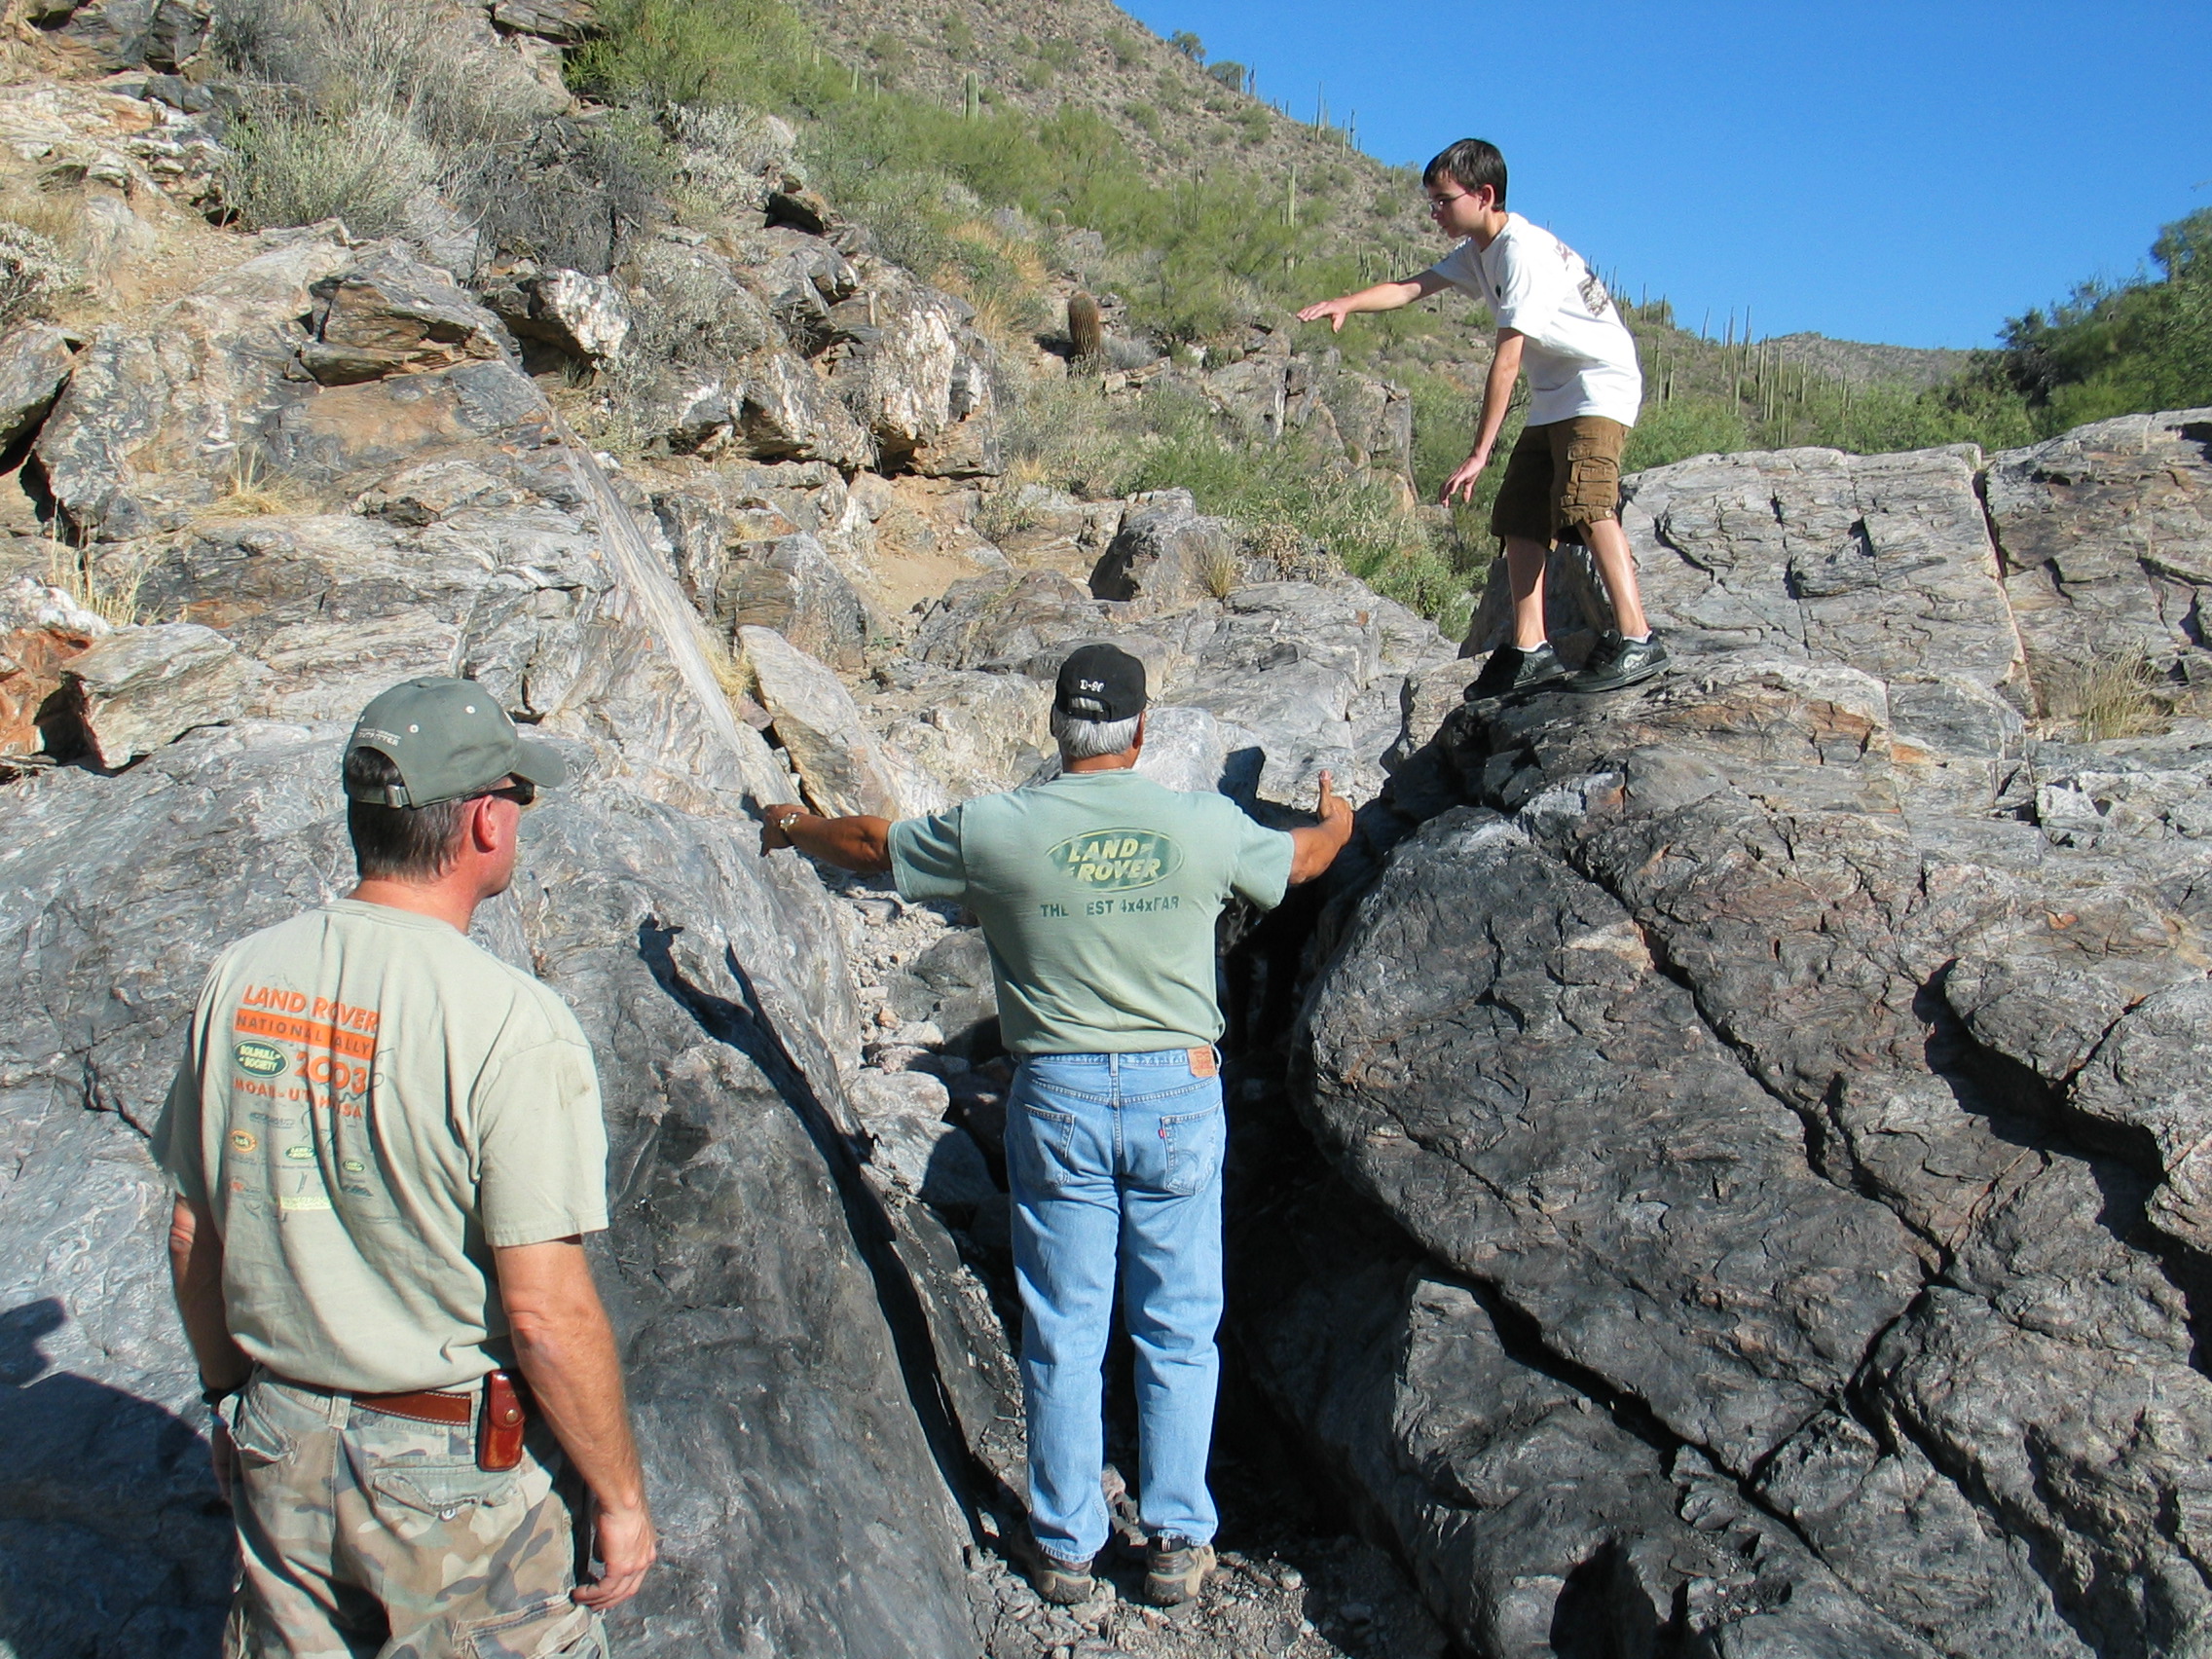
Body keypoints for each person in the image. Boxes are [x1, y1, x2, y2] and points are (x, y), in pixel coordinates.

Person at [760, 644, 1354, 1609]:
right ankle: (1176, 1538)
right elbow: (1305, 859)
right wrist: (1340, 817)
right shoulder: (1203, 825)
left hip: (1059, 1095)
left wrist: (791, 825)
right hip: (1176, 1093)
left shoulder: (998, 828)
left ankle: (1068, 1546)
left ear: (1054, 726)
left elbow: (870, 846)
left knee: (1064, 1328)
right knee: (1177, 1325)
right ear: (1141, 729)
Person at [153, 677, 657, 1658]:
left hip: (278, 1433)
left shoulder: (240, 978)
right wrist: (621, 1497)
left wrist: (228, 1404)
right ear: (483, 822)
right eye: (516, 796)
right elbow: (545, 1315)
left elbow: (191, 1231)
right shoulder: (512, 1024)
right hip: (452, 1477)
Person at [1299, 136, 1669, 698]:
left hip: (1598, 386)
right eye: (1433, 201)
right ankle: (1530, 647)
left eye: (1444, 200)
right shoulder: (1479, 250)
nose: (1436, 212)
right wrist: (1347, 302)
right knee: (1520, 513)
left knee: (1588, 502)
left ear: (1485, 194)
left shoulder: (1522, 252)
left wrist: (1479, 453)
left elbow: (1507, 360)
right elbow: (1414, 287)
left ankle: (1637, 637)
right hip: (1554, 395)